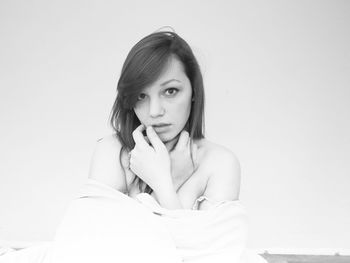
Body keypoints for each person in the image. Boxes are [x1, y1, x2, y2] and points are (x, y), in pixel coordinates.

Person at [88, 29, 241, 210]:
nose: (154, 112)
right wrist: (171, 182)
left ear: (193, 90)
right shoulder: (112, 151)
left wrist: (164, 184)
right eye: (141, 96)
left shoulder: (219, 163)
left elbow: (203, 240)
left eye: (170, 91)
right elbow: (95, 237)